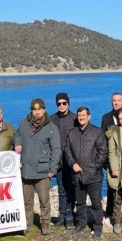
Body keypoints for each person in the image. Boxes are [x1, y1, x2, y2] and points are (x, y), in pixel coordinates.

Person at [14, 98, 61, 235]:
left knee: (44, 200)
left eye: (39, 109)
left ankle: (45, 223)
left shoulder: (51, 128)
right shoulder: (24, 124)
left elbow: (56, 149)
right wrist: (17, 142)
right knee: (27, 201)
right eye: (35, 110)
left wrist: (53, 169)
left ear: (44, 110)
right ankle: (27, 224)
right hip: (26, 170)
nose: (37, 112)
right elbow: (17, 134)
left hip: (43, 171)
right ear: (31, 111)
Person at [64, 106, 108, 238]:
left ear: (89, 116)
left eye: (83, 115)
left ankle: (98, 226)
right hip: (77, 175)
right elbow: (67, 150)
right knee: (80, 202)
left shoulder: (97, 132)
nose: (81, 117)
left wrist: (95, 166)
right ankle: (81, 223)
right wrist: (73, 164)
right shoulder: (72, 134)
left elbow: (103, 151)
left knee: (96, 203)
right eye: (79, 116)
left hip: (93, 175)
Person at [101, 92, 122, 220]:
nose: (116, 102)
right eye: (114, 100)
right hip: (112, 159)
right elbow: (103, 139)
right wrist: (107, 162)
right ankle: (111, 214)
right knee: (113, 189)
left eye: (118, 100)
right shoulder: (106, 118)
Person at [50, 92, 76, 229]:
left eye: (64, 103)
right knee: (60, 189)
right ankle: (61, 215)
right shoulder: (52, 119)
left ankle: (70, 214)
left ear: (68, 104)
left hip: (71, 160)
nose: (61, 105)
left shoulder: (74, 118)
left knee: (71, 188)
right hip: (58, 160)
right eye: (59, 103)